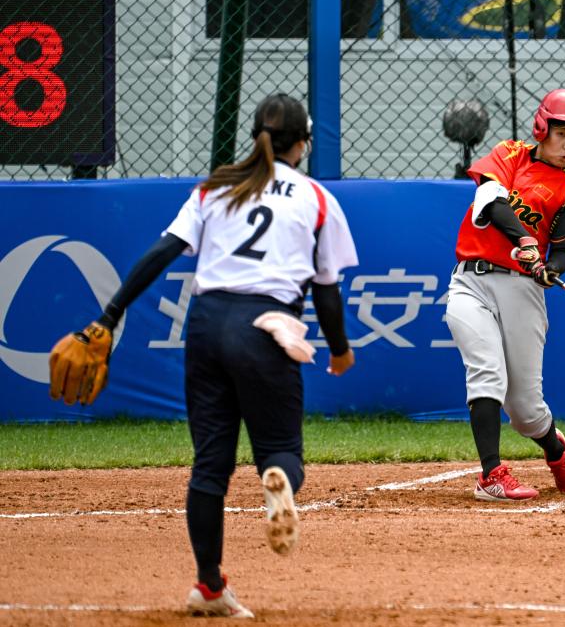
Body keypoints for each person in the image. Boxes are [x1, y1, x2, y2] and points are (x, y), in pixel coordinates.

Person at [47, 93, 359, 617]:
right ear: (304, 144)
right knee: (281, 450)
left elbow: (161, 253)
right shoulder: (315, 197)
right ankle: (278, 482)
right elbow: (326, 292)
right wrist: (341, 351)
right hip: (268, 327)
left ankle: (208, 586)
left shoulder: (215, 188)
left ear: (255, 135)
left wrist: (109, 316)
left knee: (210, 465)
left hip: (207, 325)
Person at [445, 88, 565, 501]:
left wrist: (551, 270)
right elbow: (491, 201)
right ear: (542, 128)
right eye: (562, 134)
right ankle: (491, 474)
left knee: (526, 411)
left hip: (522, 289)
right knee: (486, 371)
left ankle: (555, 450)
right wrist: (524, 238)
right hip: (470, 282)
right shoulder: (509, 153)